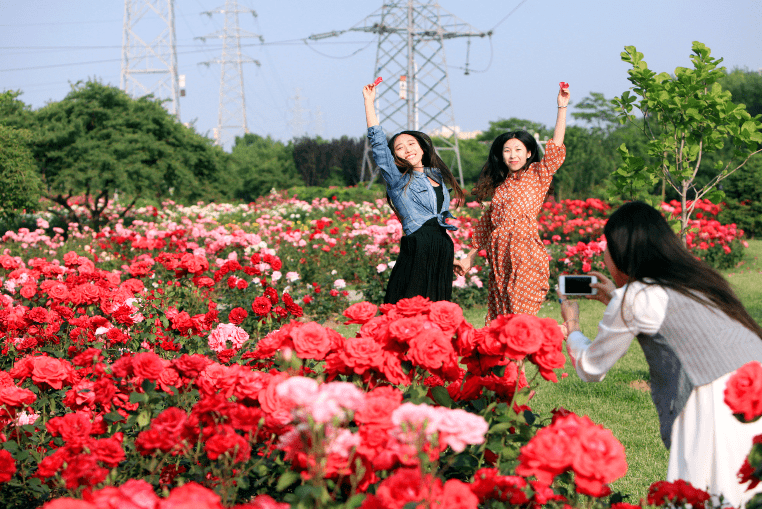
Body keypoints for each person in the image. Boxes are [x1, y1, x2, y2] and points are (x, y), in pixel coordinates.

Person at [558, 200, 762, 507]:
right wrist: (616, 298)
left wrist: (572, 325)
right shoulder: (698, 281)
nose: (604, 255)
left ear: (623, 251)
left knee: (706, 489)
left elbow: (591, 366)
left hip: (711, 398)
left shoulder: (635, 296)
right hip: (751, 387)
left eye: (607, 247)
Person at [456, 85, 569, 323]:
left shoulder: (539, 174)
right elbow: (486, 226)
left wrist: (562, 107)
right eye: (507, 150)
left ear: (529, 153)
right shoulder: (501, 188)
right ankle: (510, 358)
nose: (512, 155)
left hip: (524, 250)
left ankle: (547, 337)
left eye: (518, 149)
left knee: (520, 313)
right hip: (499, 253)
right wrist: (470, 257)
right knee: (501, 314)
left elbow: (556, 147)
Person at [362, 82, 465, 304]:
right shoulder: (398, 180)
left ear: (422, 148)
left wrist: (450, 255)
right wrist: (369, 103)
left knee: (437, 309)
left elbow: (441, 219)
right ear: (395, 156)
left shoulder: (436, 176)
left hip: (442, 247)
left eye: (412, 143)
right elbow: (379, 144)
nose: (407, 149)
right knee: (409, 306)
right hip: (418, 245)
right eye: (400, 147)